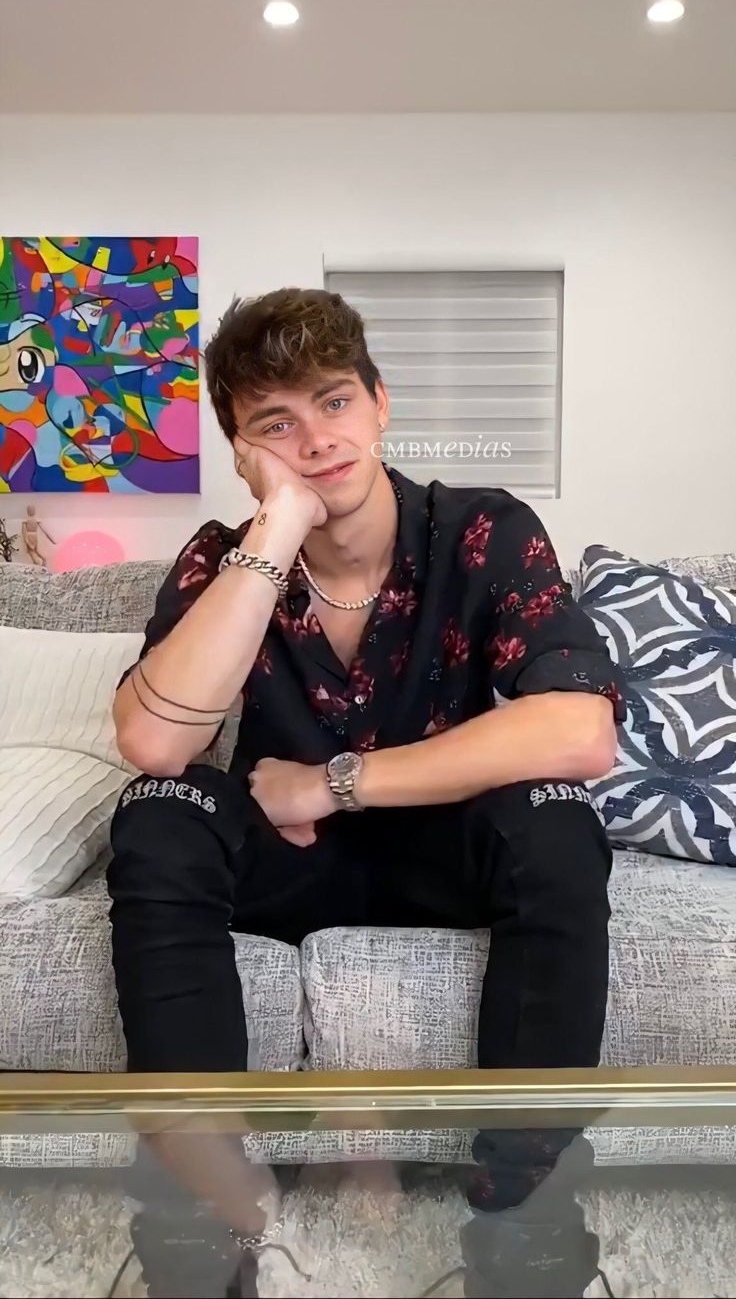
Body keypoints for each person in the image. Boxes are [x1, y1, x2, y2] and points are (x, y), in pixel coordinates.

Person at [108, 287, 625, 1297]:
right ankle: (209, 1223)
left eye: (334, 401)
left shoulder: (484, 530)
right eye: (275, 422)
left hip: (439, 847)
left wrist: (336, 782)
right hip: (283, 865)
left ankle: (520, 1223)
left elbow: (579, 727)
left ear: (380, 402)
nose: (315, 437)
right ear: (242, 447)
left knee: (557, 824)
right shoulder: (225, 556)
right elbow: (153, 739)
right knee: (155, 814)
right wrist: (281, 521)